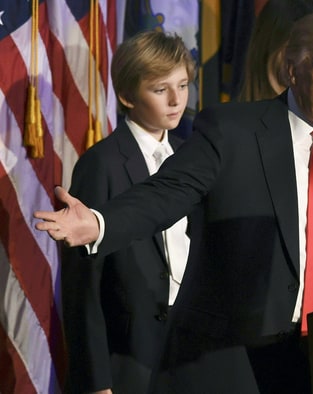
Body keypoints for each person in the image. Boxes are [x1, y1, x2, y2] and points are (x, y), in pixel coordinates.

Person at [35, 12, 313, 393]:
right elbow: (165, 194)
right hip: (231, 366)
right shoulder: (233, 133)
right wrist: (99, 223)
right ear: (292, 69)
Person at [59, 31, 196, 394]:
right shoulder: (101, 164)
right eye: (160, 89)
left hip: (190, 349)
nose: (175, 100)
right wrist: (96, 381)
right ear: (126, 95)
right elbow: (82, 283)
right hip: (127, 356)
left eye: (182, 85)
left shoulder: (192, 156)